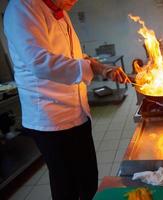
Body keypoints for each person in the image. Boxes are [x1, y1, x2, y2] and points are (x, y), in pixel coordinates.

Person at [3, 0, 129, 199]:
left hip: (77, 113)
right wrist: (92, 69)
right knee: (66, 186)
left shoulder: (60, 11)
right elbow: (40, 62)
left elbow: (73, 55)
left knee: (88, 178)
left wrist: (101, 67)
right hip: (51, 119)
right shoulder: (22, 8)